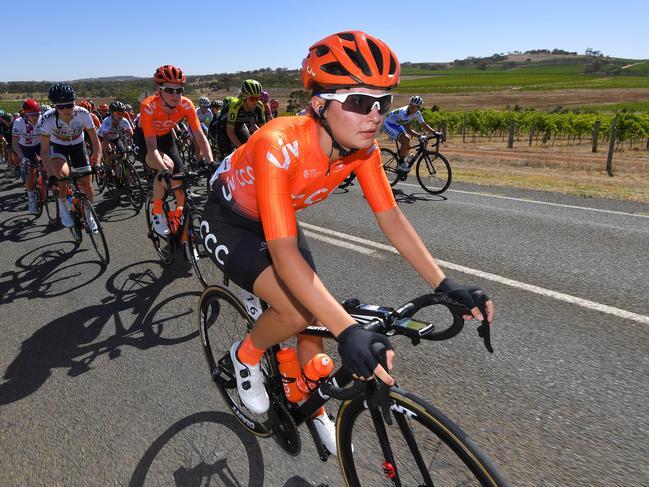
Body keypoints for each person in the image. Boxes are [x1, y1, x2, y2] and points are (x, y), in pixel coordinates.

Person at [199, 30, 494, 455]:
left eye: (383, 102)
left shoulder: (365, 150)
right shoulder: (277, 144)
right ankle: (245, 356)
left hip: (277, 215)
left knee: (316, 312)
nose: (374, 116)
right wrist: (349, 329)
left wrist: (444, 285)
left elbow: (391, 218)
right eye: (359, 101)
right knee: (299, 309)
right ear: (319, 104)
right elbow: (282, 253)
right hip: (231, 220)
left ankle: (312, 402)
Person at [132, 64, 214, 236]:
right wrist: (162, 170)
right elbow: (152, 147)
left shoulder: (186, 104)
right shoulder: (148, 106)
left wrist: (211, 162)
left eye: (179, 90)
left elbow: (199, 135)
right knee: (167, 168)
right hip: (146, 140)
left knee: (180, 184)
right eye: (170, 90)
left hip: (167, 138)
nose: (175, 95)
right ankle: (157, 212)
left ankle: (180, 219)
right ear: (159, 90)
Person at [39, 83, 102, 231]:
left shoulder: (83, 114)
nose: (66, 109)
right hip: (58, 146)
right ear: (55, 107)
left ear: (74, 102)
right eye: (61, 107)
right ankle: (62, 206)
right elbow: (44, 151)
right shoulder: (47, 119)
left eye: (69, 105)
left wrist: (98, 163)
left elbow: (95, 141)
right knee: (62, 176)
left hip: (78, 145)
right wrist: (51, 174)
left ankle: (88, 214)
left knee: (87, 184)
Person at [382, 95, 437, 172]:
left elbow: (423, 125)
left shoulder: (417, 113)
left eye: (414, 107)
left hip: (396, 124)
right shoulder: (404, 113)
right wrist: (420, 136)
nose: (411, 108)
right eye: (411, 106)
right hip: (388, 124)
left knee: (407, 143)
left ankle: (404, 159)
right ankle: (400, 164)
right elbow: (408, 130)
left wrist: (435, 132)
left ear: (418, 108)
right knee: (406, 139)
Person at [216, 80, 266, 157]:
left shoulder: (260, 106)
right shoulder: (236, 105)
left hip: (240, 126)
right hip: (224, 128)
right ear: (244, 97)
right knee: (228, 157)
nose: (255, 101)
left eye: (258, 98)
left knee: (250, 149)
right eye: (252, 98)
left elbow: (264, 129)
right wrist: (241, 149)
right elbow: (230, 131)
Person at [11, 99, 42, 214]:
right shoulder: (19, 122)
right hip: (25, 148)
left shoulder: (42, 120)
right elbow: (15, 143)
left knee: (49, 166)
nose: (35, 117)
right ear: (25, 114)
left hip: (39, 145)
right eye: (32, 114)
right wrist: (21, 157)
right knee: (31, 171)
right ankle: (31, 198)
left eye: (37, 114)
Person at [98, 101, 134, 172]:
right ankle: (108, 168)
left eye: (122, 113)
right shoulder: (107, 121)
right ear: (112, 113)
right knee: (109, 153)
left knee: (122, 152)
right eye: (118, 113)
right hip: (103, 137)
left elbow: (130, 132)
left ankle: (118, 167)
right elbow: (105, 136)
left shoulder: (124, 121)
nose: (120, 116)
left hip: (115, 137)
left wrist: (129, 138)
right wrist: (107, 146)